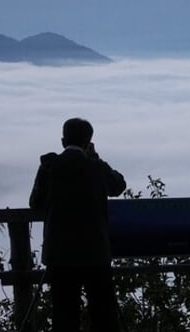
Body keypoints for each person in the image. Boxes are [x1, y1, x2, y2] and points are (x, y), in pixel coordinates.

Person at [29, 118, 126, 332]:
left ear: (63, 141)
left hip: (60, 253)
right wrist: (96, 157)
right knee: (104, 315)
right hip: (95, 252)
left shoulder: (49, 166)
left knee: (64, 315)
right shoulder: (96, 167)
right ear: (89, 141)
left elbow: (35, 203)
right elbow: (118, 186)